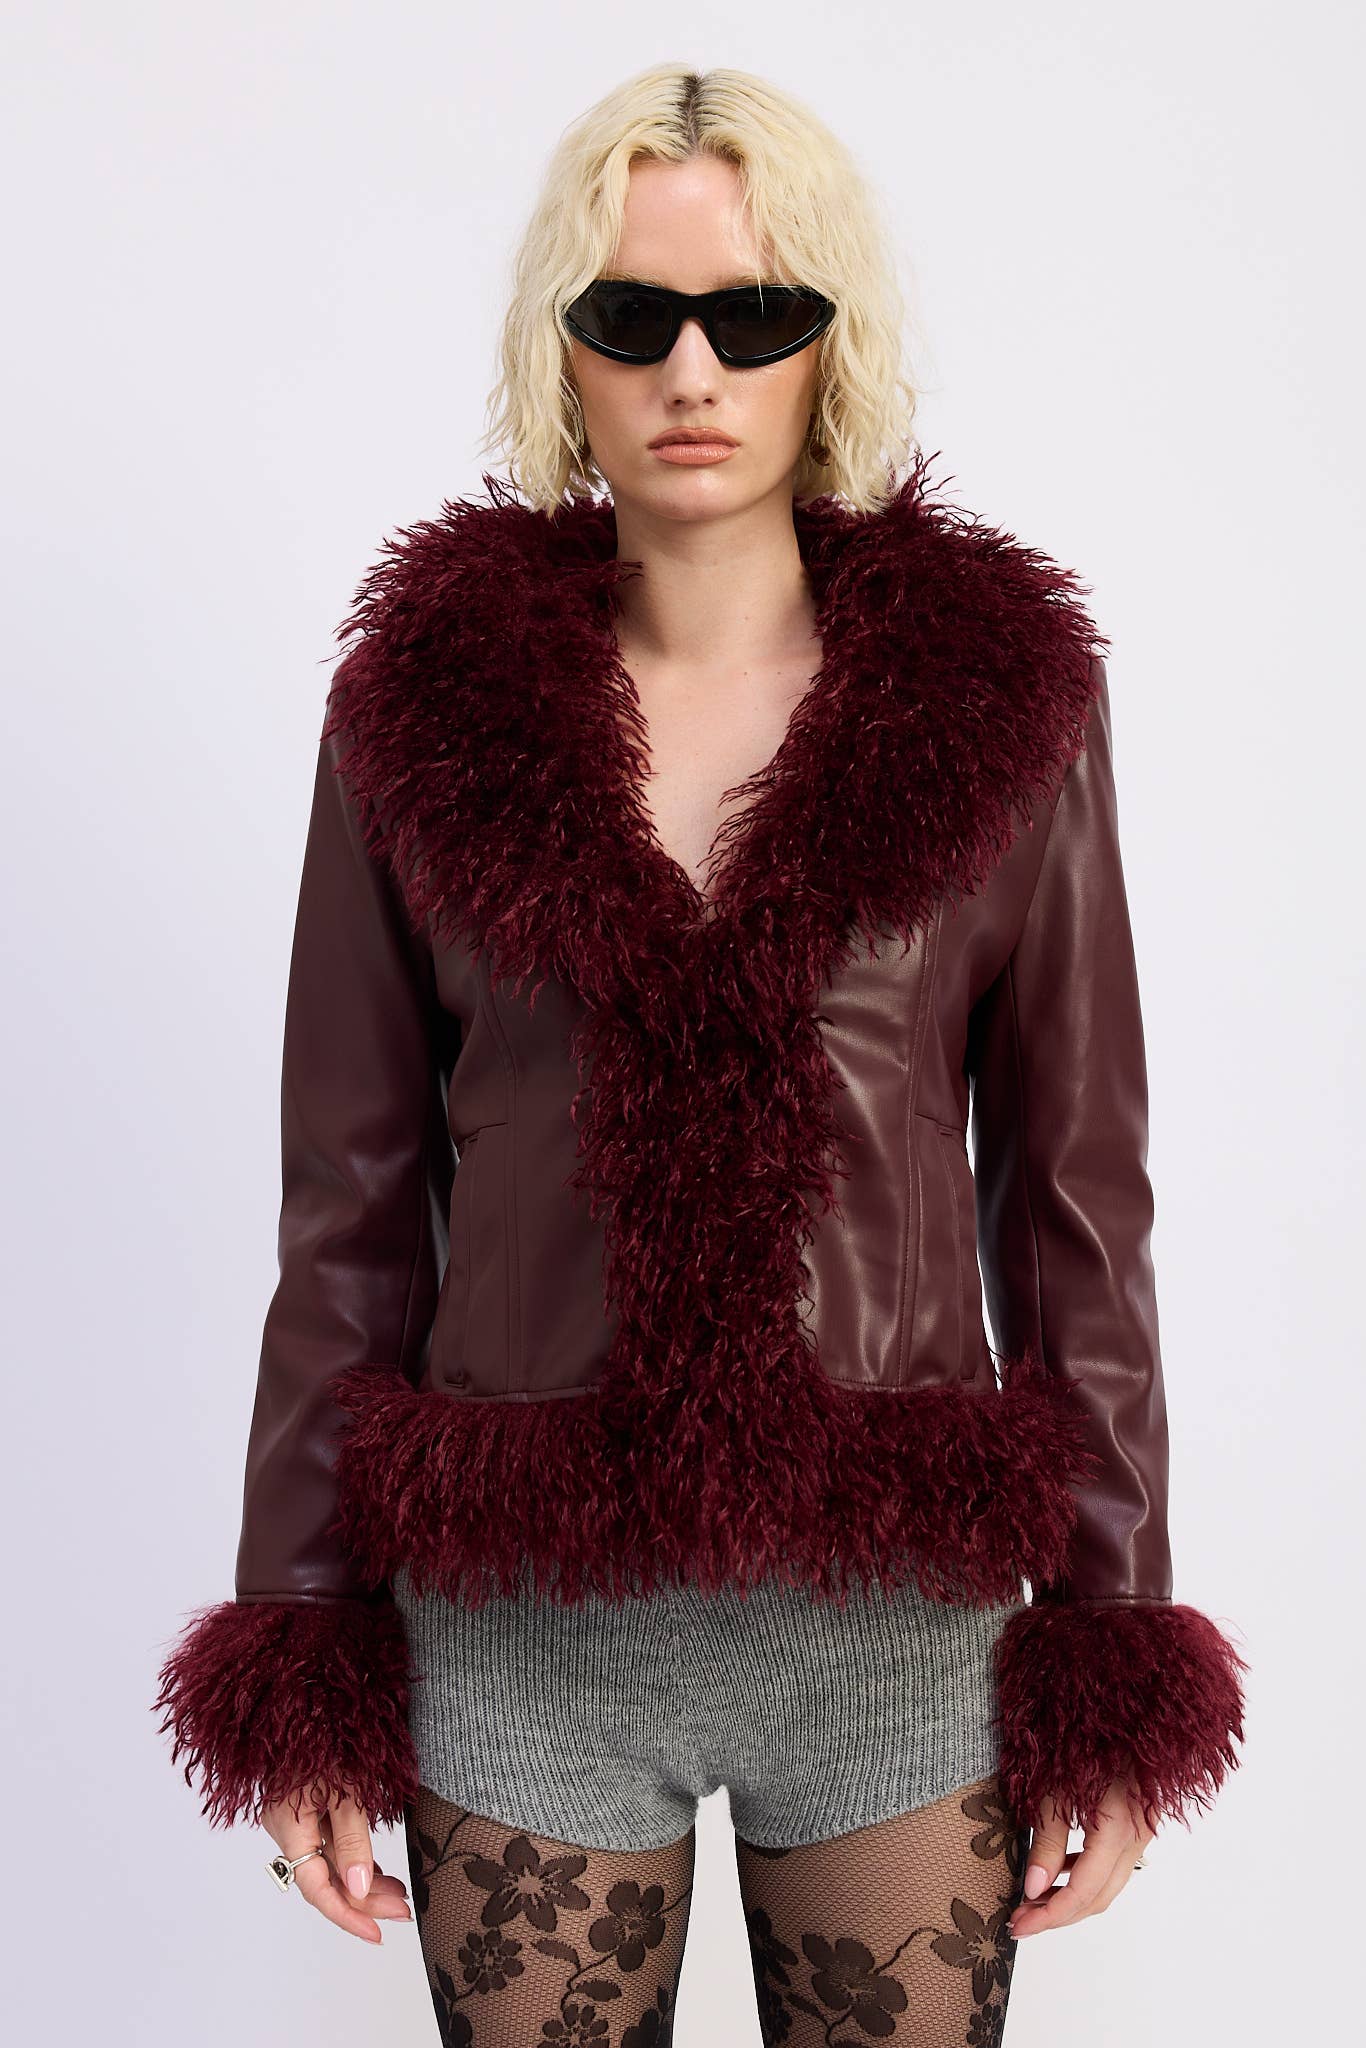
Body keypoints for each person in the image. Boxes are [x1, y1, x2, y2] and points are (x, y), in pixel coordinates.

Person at [152, 62, 1247, 2045]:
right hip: (523, 1627)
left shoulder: (1000, 710)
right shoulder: (418, 717)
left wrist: (1109, 1623)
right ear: (558, 344)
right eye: (630, 314)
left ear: (829, 340)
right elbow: (350, 1207)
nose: (690, 370)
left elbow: (1074, 1199)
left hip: (891, 1624)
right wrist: (299, 1626)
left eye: (751, 315)